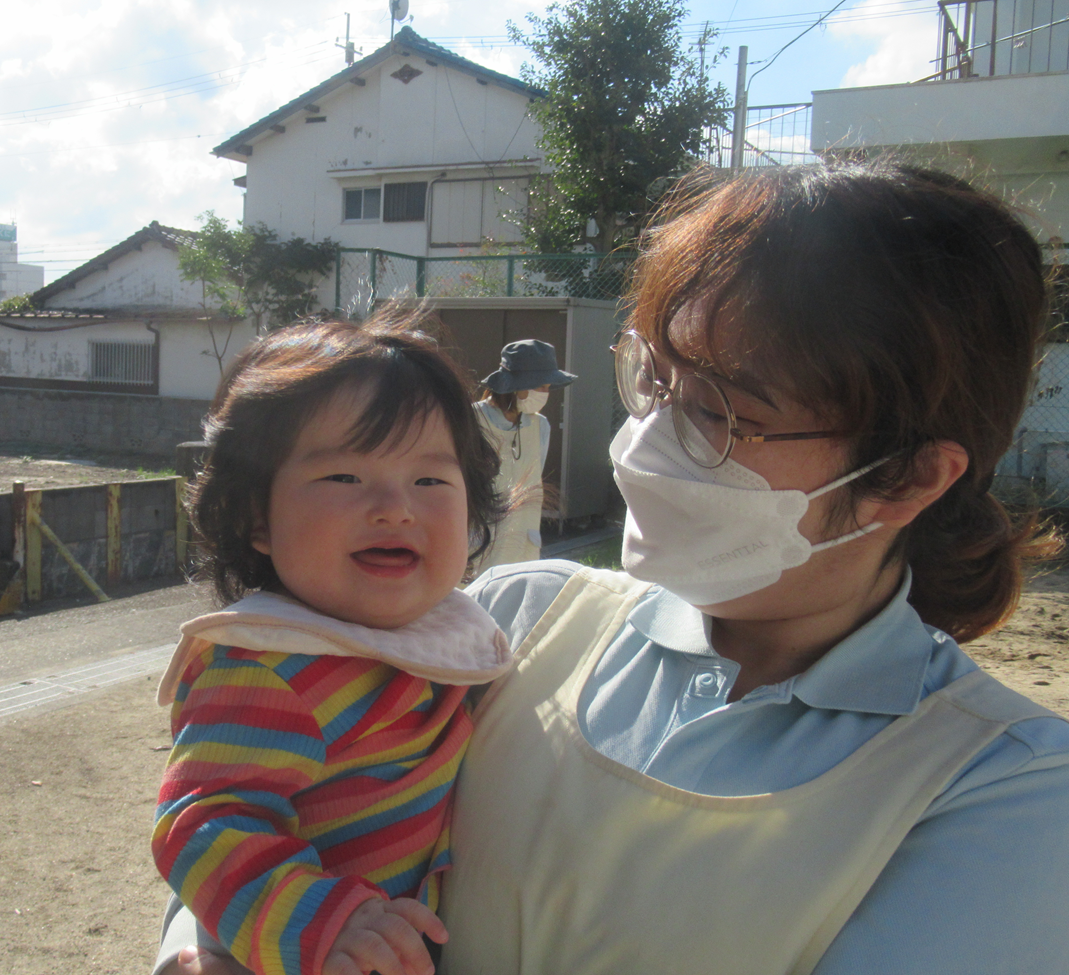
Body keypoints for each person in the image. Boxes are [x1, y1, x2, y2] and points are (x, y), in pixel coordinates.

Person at [163, 162, 1069, 975]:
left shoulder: (1001, 788)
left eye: (722, 413)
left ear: (904, 475)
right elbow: (258, 814)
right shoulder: (510, 620)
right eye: (657, 379)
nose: (650, 438)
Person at [151, 317, 513, 975]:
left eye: (431, 481)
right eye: (345, 476)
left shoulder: (447, 633)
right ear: (256, 516)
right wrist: (328, 919)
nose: (395, 506)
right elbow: (201, 826)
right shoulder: (273, 667)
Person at [472, 340, 575, 569]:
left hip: (524, 541)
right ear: (518, 385)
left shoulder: (540, 426)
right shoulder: (472, 420)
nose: (546, 394)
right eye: (542, 387)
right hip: (480, 541)